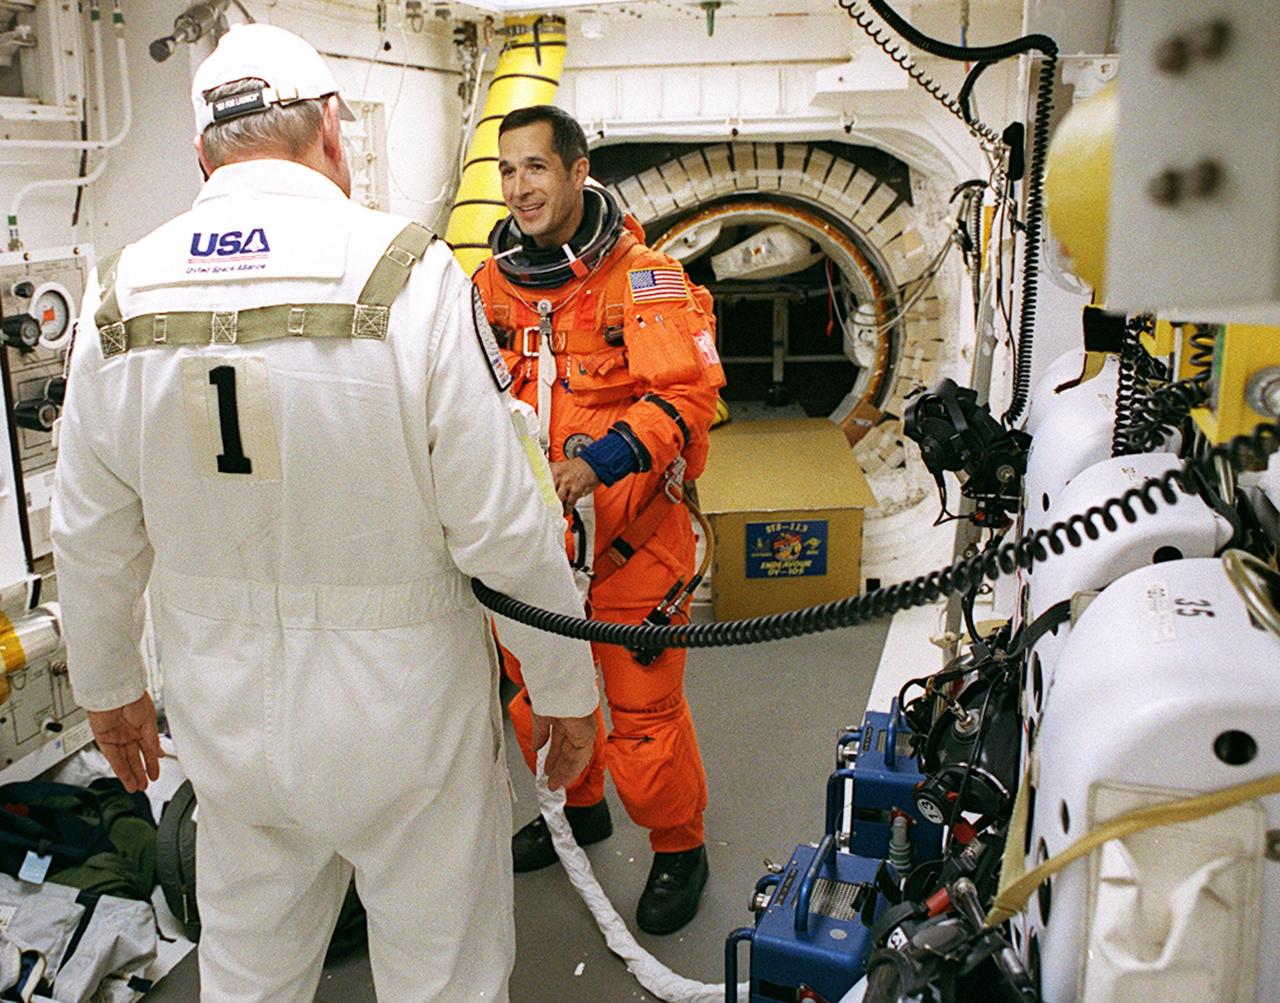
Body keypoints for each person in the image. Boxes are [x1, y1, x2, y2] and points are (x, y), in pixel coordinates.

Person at [50, 24, 599, 1003]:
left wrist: (108, 685)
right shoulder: (410, 274)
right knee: (442, 979)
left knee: (251, 973)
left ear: (201, 156)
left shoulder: (117, 295)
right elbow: (500, 526)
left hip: (225, 723)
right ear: (332, 134)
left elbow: (91, 531)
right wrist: (562, 681)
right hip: (406, 724)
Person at [473, 105, 726, 935]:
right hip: (535, 546)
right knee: (538, 698)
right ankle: (578, 809)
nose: (520, 188)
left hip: (630, 545)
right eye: (508, 172)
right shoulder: (490, 285)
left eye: (536, 168)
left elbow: (686, 398)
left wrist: (600, 461)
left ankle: (679, 845)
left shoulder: (642, 276)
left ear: (579, 171)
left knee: (644, 722)